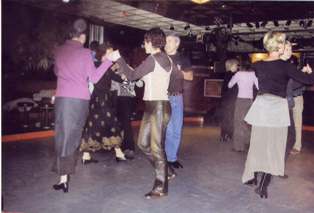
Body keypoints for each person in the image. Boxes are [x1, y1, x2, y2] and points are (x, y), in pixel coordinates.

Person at [242, 31, 314, 199]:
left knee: (257, 145)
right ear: (278, 45)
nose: (284, 45)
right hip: (276, 108)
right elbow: (308, 81)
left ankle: (250, 177)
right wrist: (310, 72)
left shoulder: (258, 64)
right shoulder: (285, 65)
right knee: (274, 147)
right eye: (283, 43)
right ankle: (263, 186)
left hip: (261, 106)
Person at [114, 27, 181, 199]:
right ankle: (168, 171)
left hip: (158, 107)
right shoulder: (163, 59)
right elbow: (142, 78)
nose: (144, 45)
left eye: (145, 41)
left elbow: (132, 75)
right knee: (143, 144)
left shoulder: (153, 59)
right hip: (154, 107)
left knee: (156, 148)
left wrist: (117, 58)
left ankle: (161, 187)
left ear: (151, 42)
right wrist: (134, 76)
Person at [52, 19, 114, 193]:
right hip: (79, 100)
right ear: (81, 36)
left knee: (62, 136)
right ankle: (64, 177)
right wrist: (107, 62)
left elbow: (57, 72)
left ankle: (63, 178)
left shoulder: (58, 51)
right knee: (72, 139)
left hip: (62, 99)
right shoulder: (85, 53)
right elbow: (93, 78)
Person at [80, 41, 127, 164]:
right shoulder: (103, 65)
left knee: (93, 125)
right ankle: (118, 153)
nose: (112, 55)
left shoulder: (99, 65)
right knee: (112, 124)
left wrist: (122, 71)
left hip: (97, 99)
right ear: (104, 53)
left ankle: (86, 156)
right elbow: (120, 78)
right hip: (103, 99)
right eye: (110, 52)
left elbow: (119, 78)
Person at [164, 32, 193, 170]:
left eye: (169, 41)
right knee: (169, 130)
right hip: (164, 96)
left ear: (177, 43)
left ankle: (172, 158)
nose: (166, 43)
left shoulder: (182, 59)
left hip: (177, 97)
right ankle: (167, 158)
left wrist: (177, 71)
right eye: (166, 40)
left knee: (177, 130)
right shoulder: (160, 58)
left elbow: (190, 77)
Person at [228, 58, 258, 152]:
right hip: (250, 101)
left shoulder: (239, 74)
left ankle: (238, 146)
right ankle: (248, 142)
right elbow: (259, 87)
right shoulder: (253, 74)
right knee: (247, 123)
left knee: (238, 123)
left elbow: (229, 85)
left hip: (240, 100)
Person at [220, 58, 239, 143]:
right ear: (231, 66)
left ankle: (224, 135)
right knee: (230, 118)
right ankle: (228, 135)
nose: (237, 67)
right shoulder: (232, 75)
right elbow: (231, 88)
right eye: (236, 65)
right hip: (230, 99)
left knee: (226, 118)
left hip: (225, 99)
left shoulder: (227, 75)